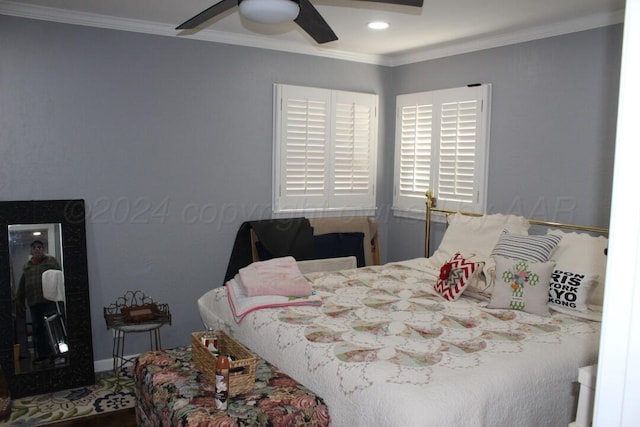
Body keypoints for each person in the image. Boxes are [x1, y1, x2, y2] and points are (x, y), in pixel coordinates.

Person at [15, 240, 62, 364]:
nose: (37, 249)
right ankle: (43, 355)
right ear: (31, 250)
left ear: (43, 249)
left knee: (53, 327)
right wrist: (19, 301)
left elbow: (60, 277)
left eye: (39, 247)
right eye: (34, 247)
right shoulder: (27, 267)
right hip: (34, 303)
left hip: (49, 301)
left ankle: (58, 353)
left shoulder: (51, 261)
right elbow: (22, 285)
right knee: (38, 329)